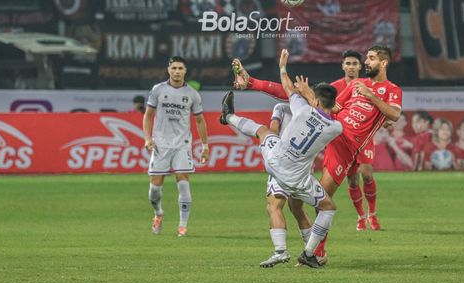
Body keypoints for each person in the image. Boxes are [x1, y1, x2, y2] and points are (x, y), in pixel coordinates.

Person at [232, 45, 401, 263]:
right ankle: (314, 253)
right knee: (296, 97)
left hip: (347, 147)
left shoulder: (392, 89)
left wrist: (373, 99)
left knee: (325, 198)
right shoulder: (355, 85)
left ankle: (318, 248)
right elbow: (333, 106)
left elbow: (395, 113)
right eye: (364, 59)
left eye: (370, 58)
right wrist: (308, 94)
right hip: (330, 134)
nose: (365, 62)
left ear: (384, 63)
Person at [220, 49, 343, 268]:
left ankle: (228, 116)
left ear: (314, 99)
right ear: (332, 105)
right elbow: (323, 112)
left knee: (263, 131)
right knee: (328, 207)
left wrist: (283, 66)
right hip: (297, 176)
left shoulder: (302, 110)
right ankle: (309, 252)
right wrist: (310, 95)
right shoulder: (336, 127)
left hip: (275, 160)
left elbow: (287, 88)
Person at [143, 56, 209, 237]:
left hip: (182, 144)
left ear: (185, 71)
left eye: (180, 68)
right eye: (174, 68)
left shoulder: (192, 94)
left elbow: (200, 121)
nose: (177, 71)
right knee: (154, 189)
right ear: (168, 69)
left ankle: (182, 225)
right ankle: (158, 214)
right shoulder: (158, 90)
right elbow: (148, 115)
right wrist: (148, 138)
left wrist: (205, 145)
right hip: (160, 145)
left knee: (183, 184)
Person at [259, 102, 315, 268]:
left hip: (283, 162)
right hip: (303, 166)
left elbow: (274, 129)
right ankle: (313, 253)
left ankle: (280, 251)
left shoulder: (281, 108)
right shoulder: (313, 109)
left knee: (274, 207)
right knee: (297, 209)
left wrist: (269, 147)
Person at [331, 49, 380, 231]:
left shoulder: (369, 85)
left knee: (367, 173)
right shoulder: (335, 87)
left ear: (360, 66)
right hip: (345, 139)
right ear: (343, 66)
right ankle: (361, 216)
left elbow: (378, 106)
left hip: (365, 137)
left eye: (354, 64)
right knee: (352, 181)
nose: (351, 67)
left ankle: (373, 214)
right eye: (348, 63)